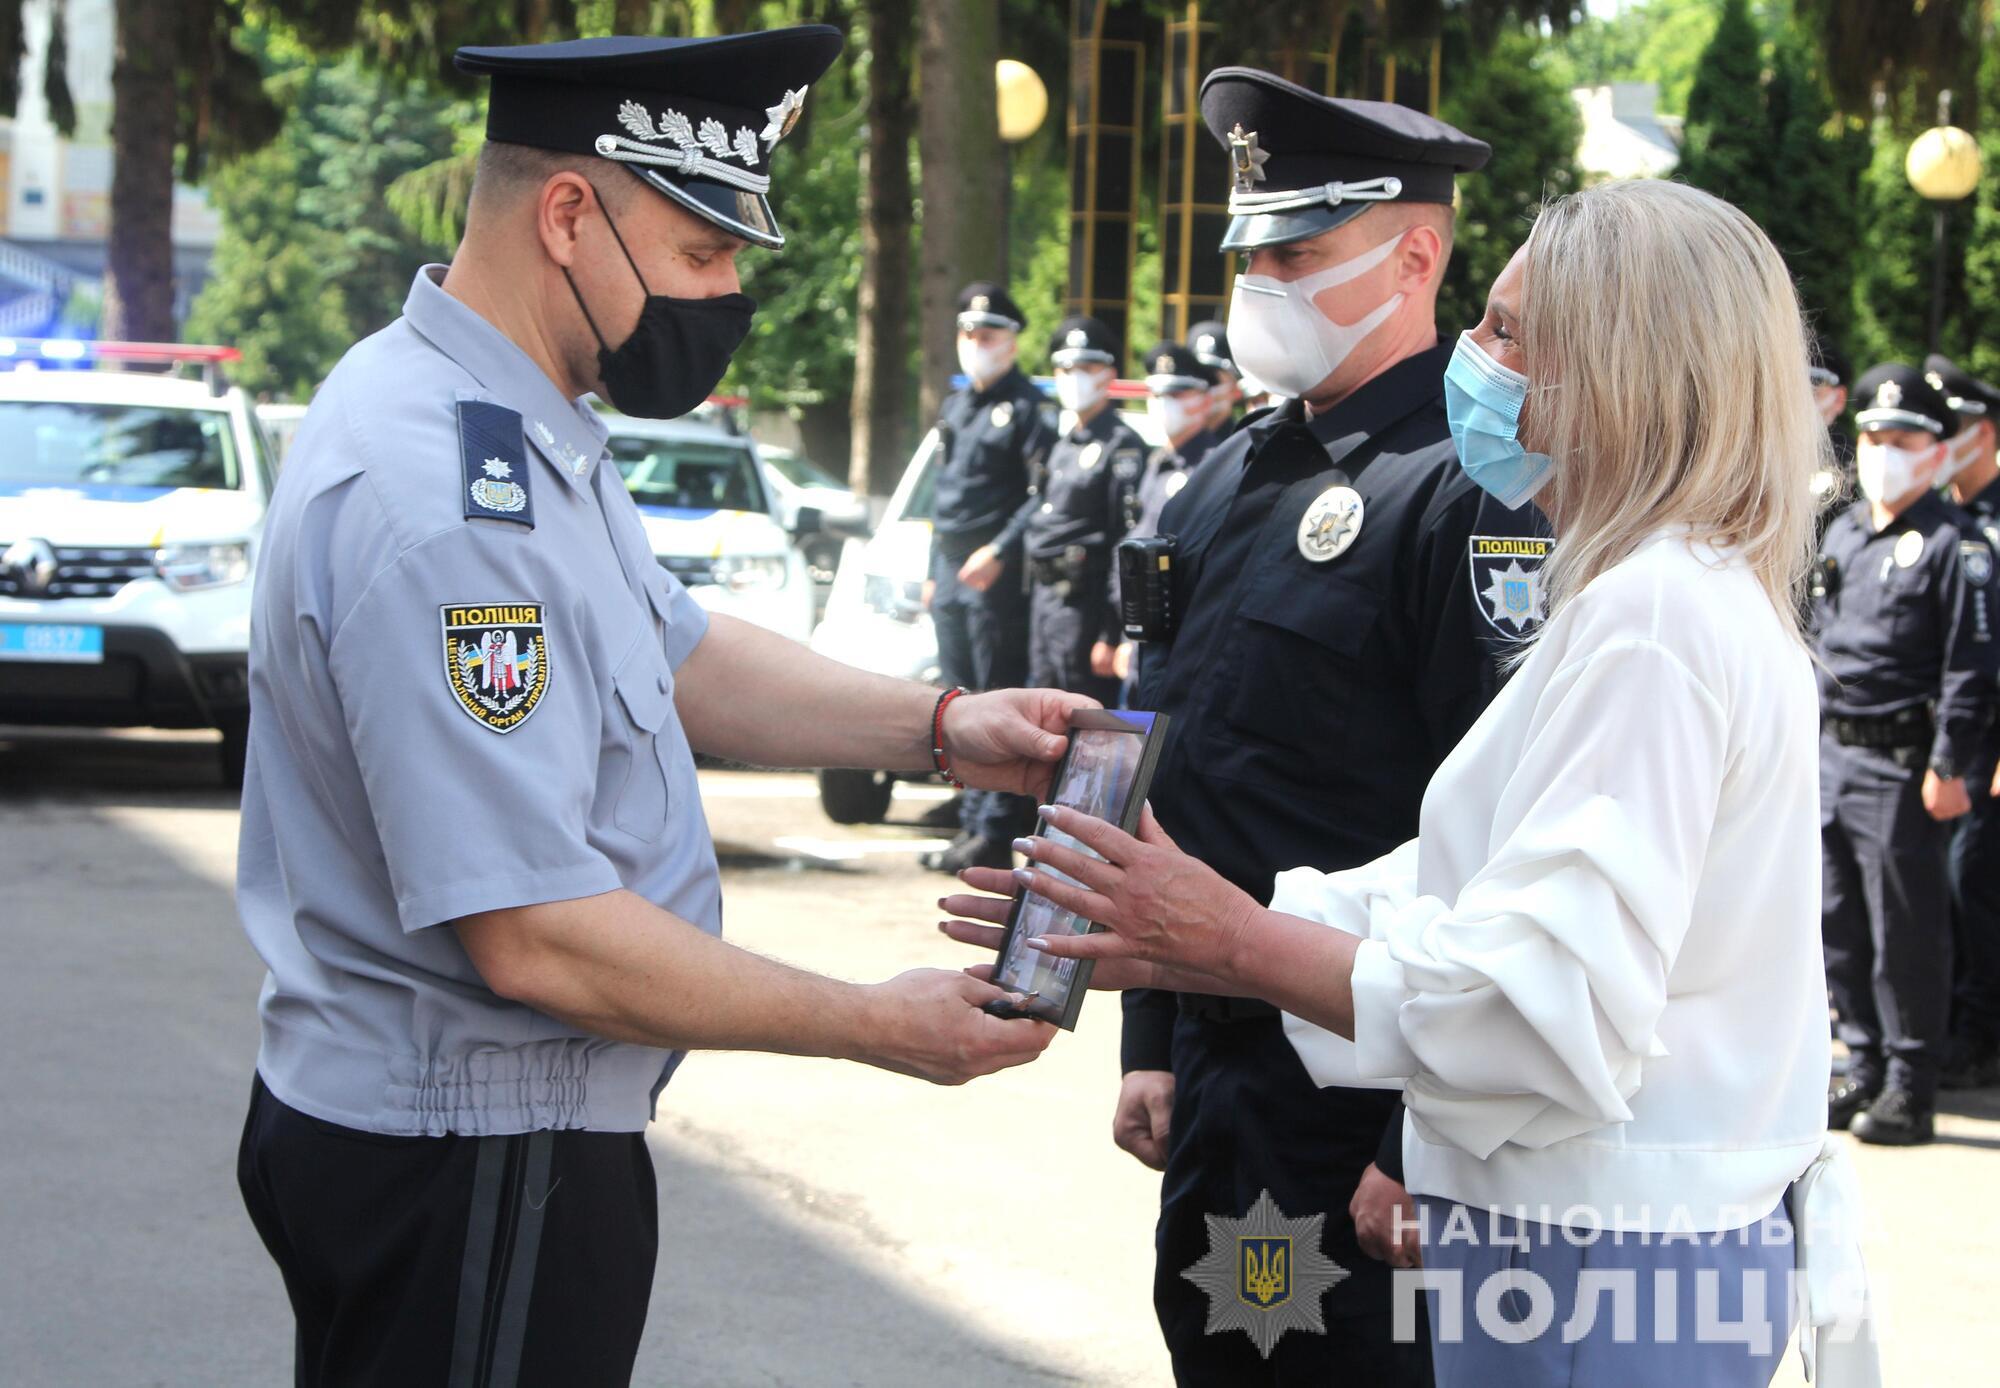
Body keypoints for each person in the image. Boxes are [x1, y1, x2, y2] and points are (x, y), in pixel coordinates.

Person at [233, 32, 1069, 1386]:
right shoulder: (451, 497)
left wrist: (942, 727)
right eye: (701, 252)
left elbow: (677, 653)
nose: (727, 294)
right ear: (568, 217)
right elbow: (535, 934)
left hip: (479, 1141)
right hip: (473, 1156)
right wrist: (878, 1021)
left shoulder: (503, 416)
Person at [949, 177, 1847, 1387]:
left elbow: (1537, 1005)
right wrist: (1188, 938)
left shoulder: (1651, 615)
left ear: (1620, 370)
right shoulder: (1663, 591)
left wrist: (1230, 938)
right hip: (1599, 1236)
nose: (1474, 356)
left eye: (1508, 330)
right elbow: (1473, 876)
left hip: (1595, 1248)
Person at [1102, 69, 1547, 1386]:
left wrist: (1423, 1137)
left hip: (1363, 1090)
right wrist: (1150, 1038)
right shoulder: (1222, 477)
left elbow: (1502, 831)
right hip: (1222, 1067)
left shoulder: (1471, 491)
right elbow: (1180, 768)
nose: (1260, 283)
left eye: (1296, 254)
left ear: (1414, 258)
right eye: (1251, 254)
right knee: (1230, 1350)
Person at [1816, 362, 1998, 1145]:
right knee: (1839, 923)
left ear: (1935, 451)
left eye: (1903, 440)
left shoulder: (1958, 546)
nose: (1884, 453)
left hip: (1901, 767)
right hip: (1830, 758)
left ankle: (1910, 1084)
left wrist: (1950, 764)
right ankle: (1862, 1062)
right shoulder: (1844, 532)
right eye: (1874, 438)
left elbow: (1971, 668)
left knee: (1906, 933)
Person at [923, 282, 1059, 872]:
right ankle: (970, 814)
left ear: (1012, 341)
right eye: (970, 334)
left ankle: (995, 825)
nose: (977, 343)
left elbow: (1041, 496)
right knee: (957, 698)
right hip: (950, 565)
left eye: (990, 335)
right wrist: (933, 570)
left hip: (994, 570)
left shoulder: (1029, 409)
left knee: (993, 694)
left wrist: (1000, 550)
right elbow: (944, 498)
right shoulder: (957, 405)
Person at [1925, 354, 2000, 1089]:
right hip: (1949, 733)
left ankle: (1980, 1036)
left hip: (1991, 740)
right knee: (1944, 887)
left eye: (1957, 428)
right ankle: (1952, 1025)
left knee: (1973, 882)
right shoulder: (1943, 519)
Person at [1023, 315, 1148, 710]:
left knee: (1081, 715)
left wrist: (1112, 633)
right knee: (1043, 707)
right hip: (1046, 600)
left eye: (1086, 368)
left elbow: (1125, 543)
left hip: (1086, 606)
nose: (1074, 377)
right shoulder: (1063, 445)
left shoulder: (1122, 446)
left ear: (1108, 374)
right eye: (1065, 369)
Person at [1112, 339, 1222, 691]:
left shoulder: (1215, 467)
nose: (1164, 403)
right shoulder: (1156, 462)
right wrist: (1124, 636)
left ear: (1205, 399)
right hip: (1140, 639)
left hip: (1180, 647)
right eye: (1157, 394)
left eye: (1177, 394)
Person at [1187, 319, 1243, 436]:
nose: (1204, 386)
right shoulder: (1173, 442)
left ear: (1235, 387)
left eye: (1212, 378)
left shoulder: (1250, 443)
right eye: (1197, 377)